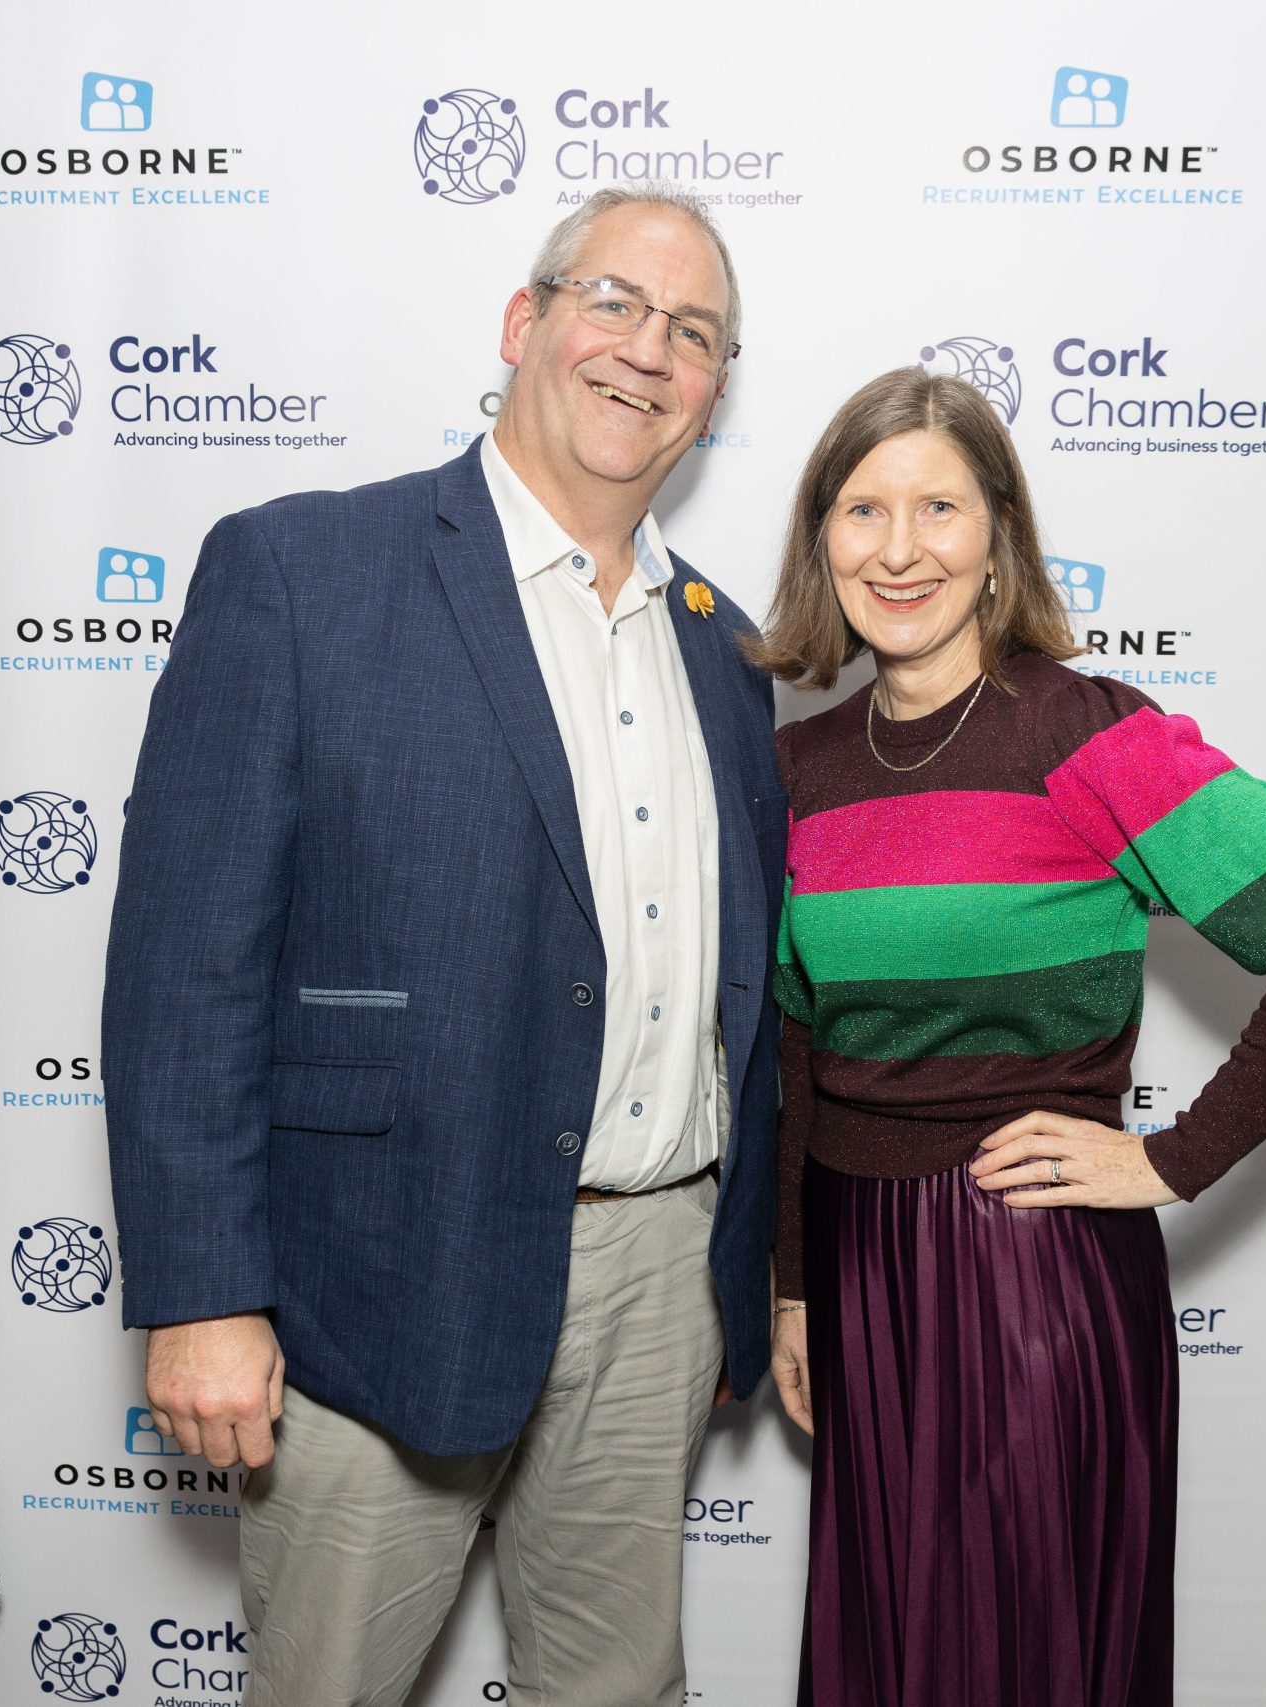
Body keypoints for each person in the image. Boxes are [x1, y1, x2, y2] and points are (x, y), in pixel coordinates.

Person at [101, 185, 784, 1707]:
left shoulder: (728, 651)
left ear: (715, 390)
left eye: (694, 332)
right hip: (377, 1271)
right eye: (614, 302)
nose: (648, 351)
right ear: (524, 322)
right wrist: (203, 1293)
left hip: (657, 1273)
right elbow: (184, 970)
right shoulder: (302, 572)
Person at [745, 367, 1266, 1705]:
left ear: (999, 533)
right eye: (863, 509)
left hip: (1030, 1274)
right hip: (862, 1270)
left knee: (1029, 1655)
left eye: (939, 507)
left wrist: (1173, 1159)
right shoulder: (798, 769)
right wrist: (797, 1285)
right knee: (892, 1657)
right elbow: (800, 1057)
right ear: (822, 540)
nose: (899, 548)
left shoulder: (1086, 734)